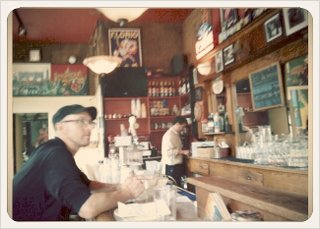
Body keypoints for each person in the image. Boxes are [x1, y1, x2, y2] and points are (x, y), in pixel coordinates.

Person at [13, 104, 145, 221]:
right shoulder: (55, 155)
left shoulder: (53, 149)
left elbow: (88, 185)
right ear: (60, 127)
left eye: (90, 122)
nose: (89, 128)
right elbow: (87, 208)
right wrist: (128, 193)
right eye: (81, 121)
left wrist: (119, 186)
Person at [161, 116, 190, 187]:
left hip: (176, 165)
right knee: (173, 187)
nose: (182, 129)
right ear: (177, 124)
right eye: (182, 127)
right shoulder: (169, 135)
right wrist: (183, 152)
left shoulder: (175, 134)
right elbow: (168, 152)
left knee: (177, 187)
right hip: (171, 166)